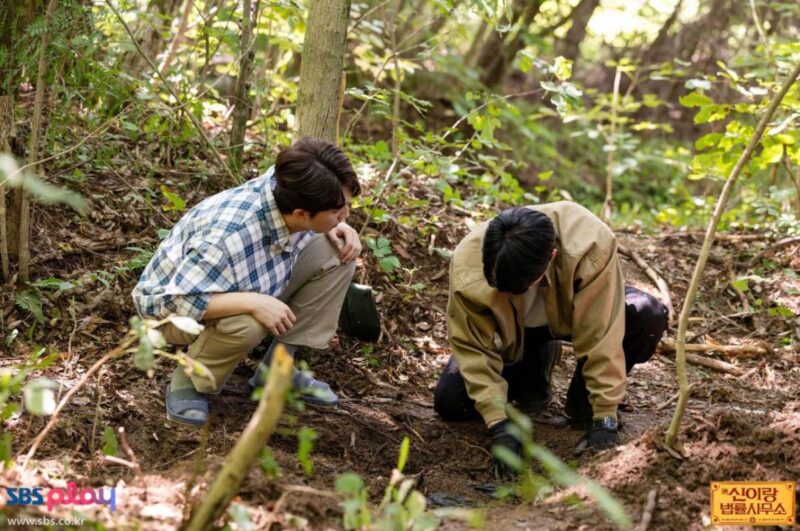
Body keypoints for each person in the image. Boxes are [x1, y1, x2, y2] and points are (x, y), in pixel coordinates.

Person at [132, 137, 362, 426]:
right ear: (302, 214)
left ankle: (277, 369)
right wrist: (253, 302)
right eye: (338, 211)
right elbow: (178, 301)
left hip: (248, 279)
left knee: (338, 252)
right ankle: (190, 380)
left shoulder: (289, 187)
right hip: (170, 312)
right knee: (248, 322)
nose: (347, 214)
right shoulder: (229, 237)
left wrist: (336, 225)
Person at [433, 202, 668, 477]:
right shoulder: (468, 264)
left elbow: (601, 331)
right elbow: (472, 345)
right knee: (451, 401)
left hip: (574, 313)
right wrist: (498, 422)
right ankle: (535, 368)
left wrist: (605, 414)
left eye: (517, 288)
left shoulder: (590, 243)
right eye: (499, 286)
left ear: (552, 257)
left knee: (647, 314)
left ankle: (584, 403)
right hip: (515, 331)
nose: (508, 291)